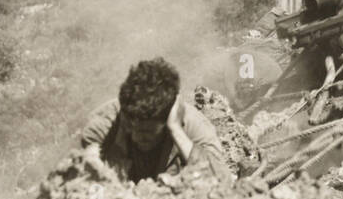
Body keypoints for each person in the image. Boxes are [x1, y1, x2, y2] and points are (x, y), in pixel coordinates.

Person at [80, 58, 231, 182]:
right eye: (137, 129)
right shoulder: (105, 124)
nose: (142, 137)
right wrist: (119, 136)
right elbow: (81, 181)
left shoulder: (192, 125)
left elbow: (222, 181)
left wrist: (176, 130)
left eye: (150, 131)